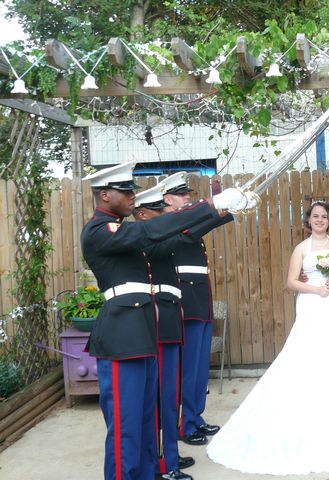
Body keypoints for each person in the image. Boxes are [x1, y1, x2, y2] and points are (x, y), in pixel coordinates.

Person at [81, 162, 251, 480]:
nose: (133, 195)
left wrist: (222, 213)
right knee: (126, 428)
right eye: (125, 190)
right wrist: (211, 204)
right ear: (104, 195)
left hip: (144, 333)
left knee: (147, 421)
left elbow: (173, 234)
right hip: (122, 338)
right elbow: (152, 230)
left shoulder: (125, 233)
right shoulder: (100, 231)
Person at [206, 201, 329, 475]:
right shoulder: (301, 249)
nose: (319, 220)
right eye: (315, 216)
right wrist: (316, 290)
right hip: (313, 302)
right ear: (308, 220)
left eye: (324, 217)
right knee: (309, 354)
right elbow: (291, 282)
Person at [157, 172, 233, 446]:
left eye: (188, 194)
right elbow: (197, 226)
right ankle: (183, 423)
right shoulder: (167, 223)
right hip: (185, 304)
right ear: (166, 199)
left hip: (200, 300)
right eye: (182, 194)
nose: (187, 197)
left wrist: (228, 208)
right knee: (187, 369)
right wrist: (220, 209)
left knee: (200, 368)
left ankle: (195, 417)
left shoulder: (183, 219)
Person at [132, 184, 193, 480]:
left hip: (168, 318)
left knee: (171, 395)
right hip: (157, 321)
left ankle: (170, 456)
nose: (164, 216)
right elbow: (176, 236)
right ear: (143, 215)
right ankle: (162, 464)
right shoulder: (148, 240)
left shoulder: (159, 235)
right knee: (160, 397)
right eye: (158, 212)